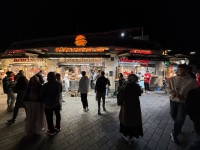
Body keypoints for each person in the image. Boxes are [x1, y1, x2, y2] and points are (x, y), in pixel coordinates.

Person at [166, 64, 198, 145]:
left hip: (183, 102)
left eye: (184, 69)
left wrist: (185, 97)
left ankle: (174, 133)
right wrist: (172, 93)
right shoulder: (172, 79)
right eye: (181, 69)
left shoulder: (192, 81)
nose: (182, 71)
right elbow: (168, 87)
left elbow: (195, 93)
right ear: (178, 70)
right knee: (173, 115)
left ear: (187, 70)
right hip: (173, 100)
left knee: (180, 118)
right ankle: (178, 127)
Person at [117, 74, 143, 143]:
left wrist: (119, 102)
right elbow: (140, 93)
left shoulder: (126, 86)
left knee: (126, 120)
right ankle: (132, 136)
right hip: (135, 106)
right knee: (134, 120)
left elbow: (122, 96)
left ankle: (126, 135)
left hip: (127, 106)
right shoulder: (137, 86)